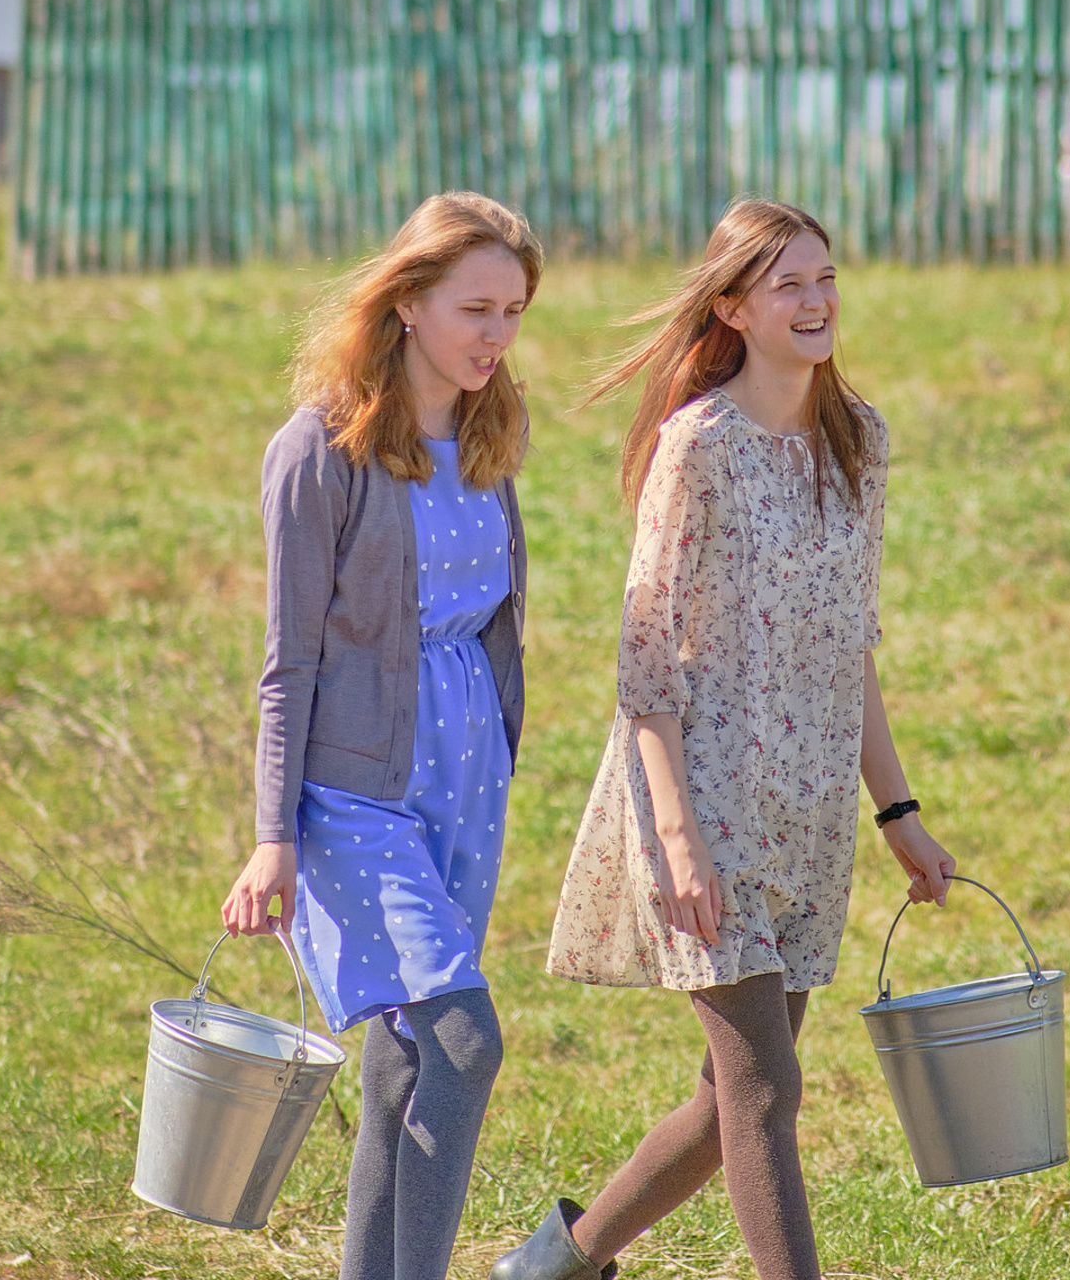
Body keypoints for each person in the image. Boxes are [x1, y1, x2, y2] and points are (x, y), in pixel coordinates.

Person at [494, 199, 954, 1280]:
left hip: (808, 815)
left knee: (734, 1092)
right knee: (765, 1090)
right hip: (702, 804)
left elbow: (852, 647)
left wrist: (898, 812)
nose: (815, 300)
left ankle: (551, 1267)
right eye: (788, 283)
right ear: (736, 307)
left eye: (826, 278)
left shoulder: (861, 443)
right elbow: (645, 660)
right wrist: (678, 838)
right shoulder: (697, 447)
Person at [222, 191, 543, 1280]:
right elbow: (289, 659)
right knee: (463, 1039)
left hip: (464, 774)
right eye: (475, 309)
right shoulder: (320, 450)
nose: (496, 337)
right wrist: (273, 835)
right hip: (353, 789)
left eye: (512, 312)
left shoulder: (490, 428)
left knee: (404, 1061)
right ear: (408, 302)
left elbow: (490, 616)